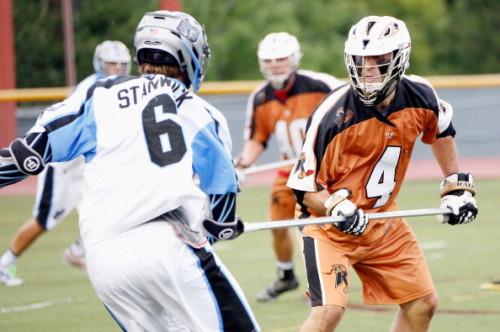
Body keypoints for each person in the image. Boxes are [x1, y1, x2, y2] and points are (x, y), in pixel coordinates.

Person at [0, 10, 260, 332]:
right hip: (167, 245)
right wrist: (220, 225)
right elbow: (221, 198)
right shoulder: (201, 111)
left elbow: (28, 154)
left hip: (104, 260)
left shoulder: (99, 95)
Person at [287, 16, 478, 331]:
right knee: (328, 312)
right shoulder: (331, 115)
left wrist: (455, 187)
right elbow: (303, 189)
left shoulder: (421, 96)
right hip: (327, 228)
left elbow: (441, 128)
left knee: (422, 304)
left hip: (383, 220)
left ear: (400, 58)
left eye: (379, 59)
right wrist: (337, 207)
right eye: (361, 60)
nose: (368, 69)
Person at [0, 40, 132, 286]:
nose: (116, 69)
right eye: (111, 63)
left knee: (108, 205)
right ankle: (5, 263)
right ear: (100, 64)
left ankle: (79, 251)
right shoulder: (92, 87)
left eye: (121, 64)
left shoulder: (119, 87)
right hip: (62, 163)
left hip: (85, 163)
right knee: (44, 220)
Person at [235, 32, 344, 302]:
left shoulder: (321, 84)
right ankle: (286, 276)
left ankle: (327, 277)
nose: (275, 65)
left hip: (324, 167)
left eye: (281, 59)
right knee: (278, 223)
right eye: (269, 60)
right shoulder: (260, 97)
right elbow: (257, 139)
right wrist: (243, 163)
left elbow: (353, 108)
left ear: (294, 59)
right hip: (290, 169)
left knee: (324, 224)